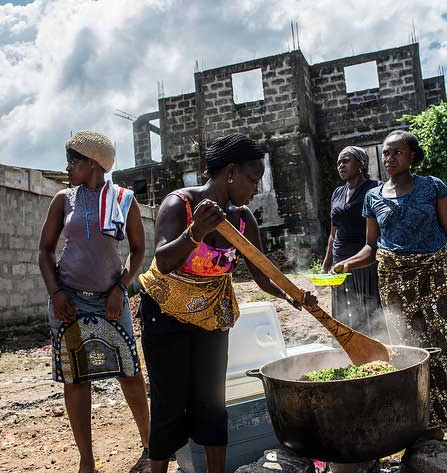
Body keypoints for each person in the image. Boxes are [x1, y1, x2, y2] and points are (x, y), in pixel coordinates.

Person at [138, 132, 316, 473]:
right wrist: (196, 232)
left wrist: (294, 296)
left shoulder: (243, 218)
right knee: (168, 403)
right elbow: (163, 261)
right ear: (230, 172)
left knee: (211, 402)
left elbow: (263, 274)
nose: (255, 188)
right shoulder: (181, 204)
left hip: (211, 316)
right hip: (165, 315)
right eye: (252, 179)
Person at [331, 130, 447, 444]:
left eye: (397, 152)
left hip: (438, 274)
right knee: (413, 352)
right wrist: (347, 263)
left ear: (412, 155)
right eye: (385, 153)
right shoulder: (373, 196)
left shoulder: (433, 187)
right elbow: (371, 247)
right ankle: (431, 426)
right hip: (395, 280)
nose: (389, 158)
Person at [38, 131, 150, 473]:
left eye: (74, 161)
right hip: (69, 300)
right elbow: (44, 251)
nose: (68, 167)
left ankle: (150, 445)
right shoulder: (64, 199)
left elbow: (138, 250)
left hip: (110, 301)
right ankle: (87, 460)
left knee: (130, 373)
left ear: (93, 164)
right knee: (76, 378)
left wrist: (120, 288)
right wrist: (56, 295)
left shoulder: (123, 199)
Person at [322, 146, 386, 340]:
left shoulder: (375, 188)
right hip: (340, 260)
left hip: (365, 258)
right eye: (339, 162)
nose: (341, 165)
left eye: (346, 161)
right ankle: (350, 346)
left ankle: (375, 344)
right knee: (345, 307)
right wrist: (327, 263)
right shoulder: (337, 193)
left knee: (369, 303)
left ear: (361, 164)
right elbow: (333, 232)